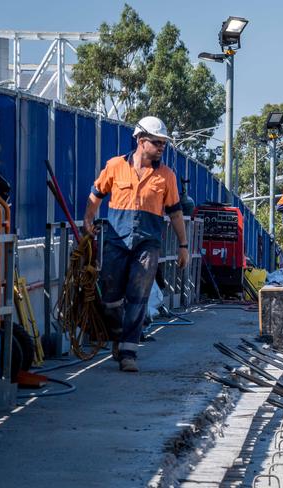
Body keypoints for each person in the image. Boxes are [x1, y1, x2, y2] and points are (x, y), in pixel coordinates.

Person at [83, 116, 189, 373]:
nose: (162, 147)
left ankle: (129, 351)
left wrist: (183, 245)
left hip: (148, 243)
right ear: (141, 141)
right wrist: (88, 218)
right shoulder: (115, 166)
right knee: (109, 298)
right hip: (116, 241)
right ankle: (119, 336)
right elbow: (96, 195)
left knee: (138, 297)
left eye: (164, 143)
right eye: (157, 142)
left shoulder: (166, 177)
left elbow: (175, 213)